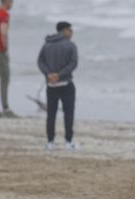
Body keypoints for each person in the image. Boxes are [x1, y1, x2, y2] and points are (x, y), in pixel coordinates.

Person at [38, 21, 79, 150]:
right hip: (66, 83)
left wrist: (49, 74)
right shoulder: (70, 45)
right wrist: (60, 75)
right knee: (68, 113)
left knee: (51, 114)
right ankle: (68, 141)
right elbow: (73, 63)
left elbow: (40, 62)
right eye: (70, 30)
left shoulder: (46, 44)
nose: (72, 32)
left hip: (51, 85)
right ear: (64, 30)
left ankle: (50, 142)